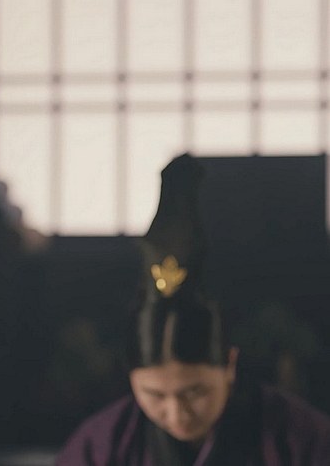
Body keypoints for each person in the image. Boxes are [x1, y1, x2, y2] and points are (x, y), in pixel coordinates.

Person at [56, 154, 330, 465]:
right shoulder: (101, 444)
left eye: (195, 392)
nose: (176, 414)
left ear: (230, 364)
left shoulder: (301, 440)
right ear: (131, 377)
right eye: (154, 395)